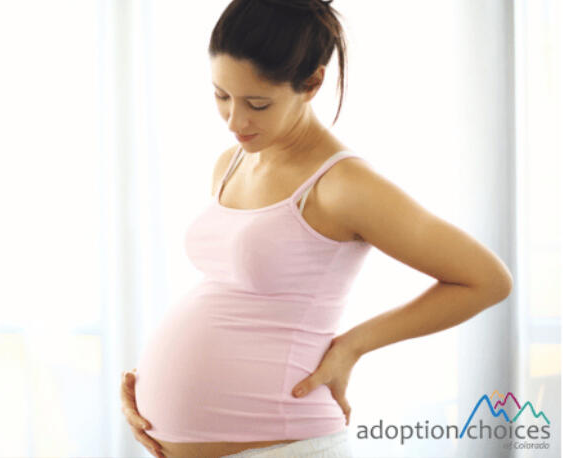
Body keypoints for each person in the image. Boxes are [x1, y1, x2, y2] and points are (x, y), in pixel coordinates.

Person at [120, 0, 513, 457]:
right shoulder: (230, 164)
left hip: (284, 443)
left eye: (257, 103)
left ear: (312, 83)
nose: (235, 121)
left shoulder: (342, 185)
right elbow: (237, 301)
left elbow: (486, 280)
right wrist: (153, 386)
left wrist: (352, 346)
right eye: (221, 95)